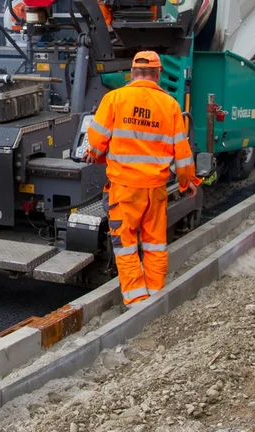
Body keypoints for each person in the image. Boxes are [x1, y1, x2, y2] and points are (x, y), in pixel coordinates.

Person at [83, 51, 201, 306]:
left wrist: (93, 153)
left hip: (124, 190)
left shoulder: (114, 99)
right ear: (158, 74)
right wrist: (186, 181)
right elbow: (182, 151)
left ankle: (137, 302)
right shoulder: (170, 105)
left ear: (132, 73)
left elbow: (96, 141)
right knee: (155, 243)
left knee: (125, 246)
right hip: (155, 190)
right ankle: (156, 295)